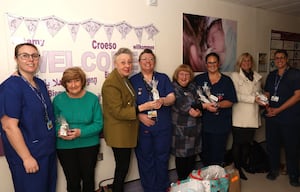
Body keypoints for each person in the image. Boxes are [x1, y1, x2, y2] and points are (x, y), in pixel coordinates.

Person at [0, 43, 57, 192]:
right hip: (28, 155)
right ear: (16, 59)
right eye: (24, 55)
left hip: (47, 151)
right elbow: (8, 126)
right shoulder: (10, 87)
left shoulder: (40, 84)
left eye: (34, 56)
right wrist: (26, 157)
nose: (30, 59)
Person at [130, 49, 175, 192]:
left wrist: (163, 100)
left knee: (162, 158)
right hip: (143, 128)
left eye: (150, 59)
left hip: (162, 126)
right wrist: (139, 116)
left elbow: (172, 97)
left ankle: (162, 187)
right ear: (139, 62)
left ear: (154, 62)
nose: (148, 61)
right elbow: (129, 106)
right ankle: (150, 188)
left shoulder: (163, 78)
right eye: (144, 59)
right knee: (145, 160)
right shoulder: (133, 81)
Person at [53, 67, 103, 192]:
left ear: (82, 81)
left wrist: (81, 133)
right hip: (65, 147)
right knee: (72, 182)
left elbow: (98, 124)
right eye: (69, 81)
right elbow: (53, 123)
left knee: (88, 179)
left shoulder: (92, 99)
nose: (73, 85)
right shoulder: (58, 100)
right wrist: (59, 132)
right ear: (65, 83)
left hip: (89, 145)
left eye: (76, 80)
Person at [101, 48, 139, 192]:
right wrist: (139, 110)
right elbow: (117, 112)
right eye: (123, 62)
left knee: (123, 167)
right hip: (119, 133)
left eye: (129, 62)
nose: (127, 65)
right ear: (115, 64)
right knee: (122, 168)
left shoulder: (123, 79)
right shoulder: (111, 83)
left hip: (125, 131)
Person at [263, 49, 300, 187]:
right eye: (277, 58)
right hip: (272, 117)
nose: (279, 60)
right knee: (272, 145)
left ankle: (294, 175)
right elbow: (267, 93)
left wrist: (278, 109)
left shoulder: (295, 74)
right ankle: (274, 170)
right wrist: (266, 105)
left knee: (292, 147)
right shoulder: (272, 75)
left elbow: (298, 95)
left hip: (290, 118)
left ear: (287, 59)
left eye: (282, 57)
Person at [194, 52, 237, 166]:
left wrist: (218, 105)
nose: (212, 65)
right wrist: (205, 106)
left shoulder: (226, 81)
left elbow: (231, 101)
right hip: (203, 123)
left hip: (221, 124)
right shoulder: (199, 79)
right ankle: (208, 174)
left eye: (214, 62)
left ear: (219, 64)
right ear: (206, 64)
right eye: (209, 62)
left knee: (218, 152)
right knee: (204, 151)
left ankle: (216, 177)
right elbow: (193, 99)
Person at [230, 53, 263, 180]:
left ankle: (244, 164)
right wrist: (253, 98)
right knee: (238, 143)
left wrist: (261, 98)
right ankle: (237, 168)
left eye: (249, 61)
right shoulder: (235, 76)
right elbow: (235, 95)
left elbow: (258, 92)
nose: (246, 63)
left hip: (253, 115)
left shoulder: (257, 76)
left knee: (247, 143)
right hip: (240, 115)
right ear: (240, 63)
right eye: (244, 61)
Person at [171, 64, 202, 181]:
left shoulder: (194, 87)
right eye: (181, 74)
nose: (184, 77)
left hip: (194, 130)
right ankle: (182, 183)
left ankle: (190, 184)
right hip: (180, 132)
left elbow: (201, 100)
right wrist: (197, 109)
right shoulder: (173, 87)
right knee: (182, 159)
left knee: (192, 158)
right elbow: (183, 105)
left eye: (187, 74)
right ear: (177, 75)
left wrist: (199, 110)